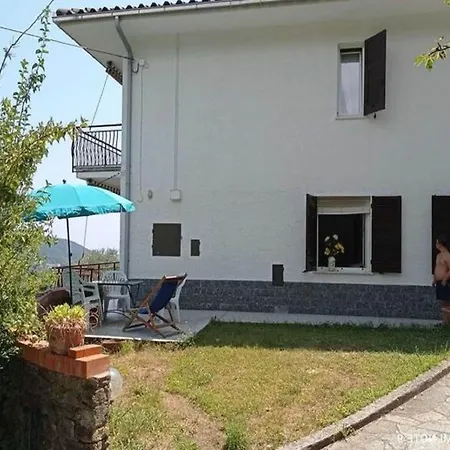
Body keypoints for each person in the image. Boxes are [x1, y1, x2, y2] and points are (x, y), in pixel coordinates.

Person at [433, 235, 450, 325]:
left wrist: (445, 278)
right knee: (443, 303)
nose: (436, 244)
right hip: (439, 282)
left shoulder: (447, 255)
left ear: (440, 244)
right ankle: (445, 322)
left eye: (437, 242)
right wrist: (434, 279)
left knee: (447, 302)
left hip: (445, 282)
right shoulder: (438, 255)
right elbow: (437, 268)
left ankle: (447, 322)